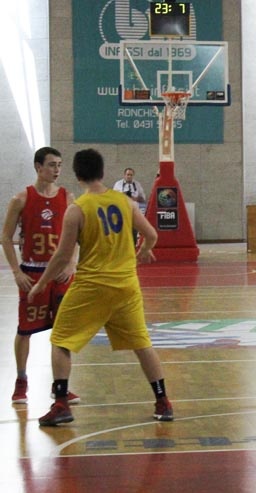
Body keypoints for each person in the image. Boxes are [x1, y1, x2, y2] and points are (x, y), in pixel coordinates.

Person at [27, 148, 174, 426]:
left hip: (92, 287)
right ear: (103, 172)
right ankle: (163, 401)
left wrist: (41, 283)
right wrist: (144, 250)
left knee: (60, 340)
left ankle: (61, 404)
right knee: (142, 345)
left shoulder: (77, 209)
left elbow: (62, 256)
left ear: (77, 175)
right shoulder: (125, 202)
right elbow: (152, 235)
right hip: (126, 286)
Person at [1, 147, 80, 404]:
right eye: (52, 165)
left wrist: (71, 264)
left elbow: (76, 235)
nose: (57, 170)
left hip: (60, 274)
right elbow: (5, 237)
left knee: (63, 331)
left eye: (59, 165)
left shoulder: (67, 197)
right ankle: (21, 380)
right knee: (24, 329)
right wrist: (16, 271)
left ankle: (60, 385)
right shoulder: (21, 198)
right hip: (32, 272)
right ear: (38, 167)